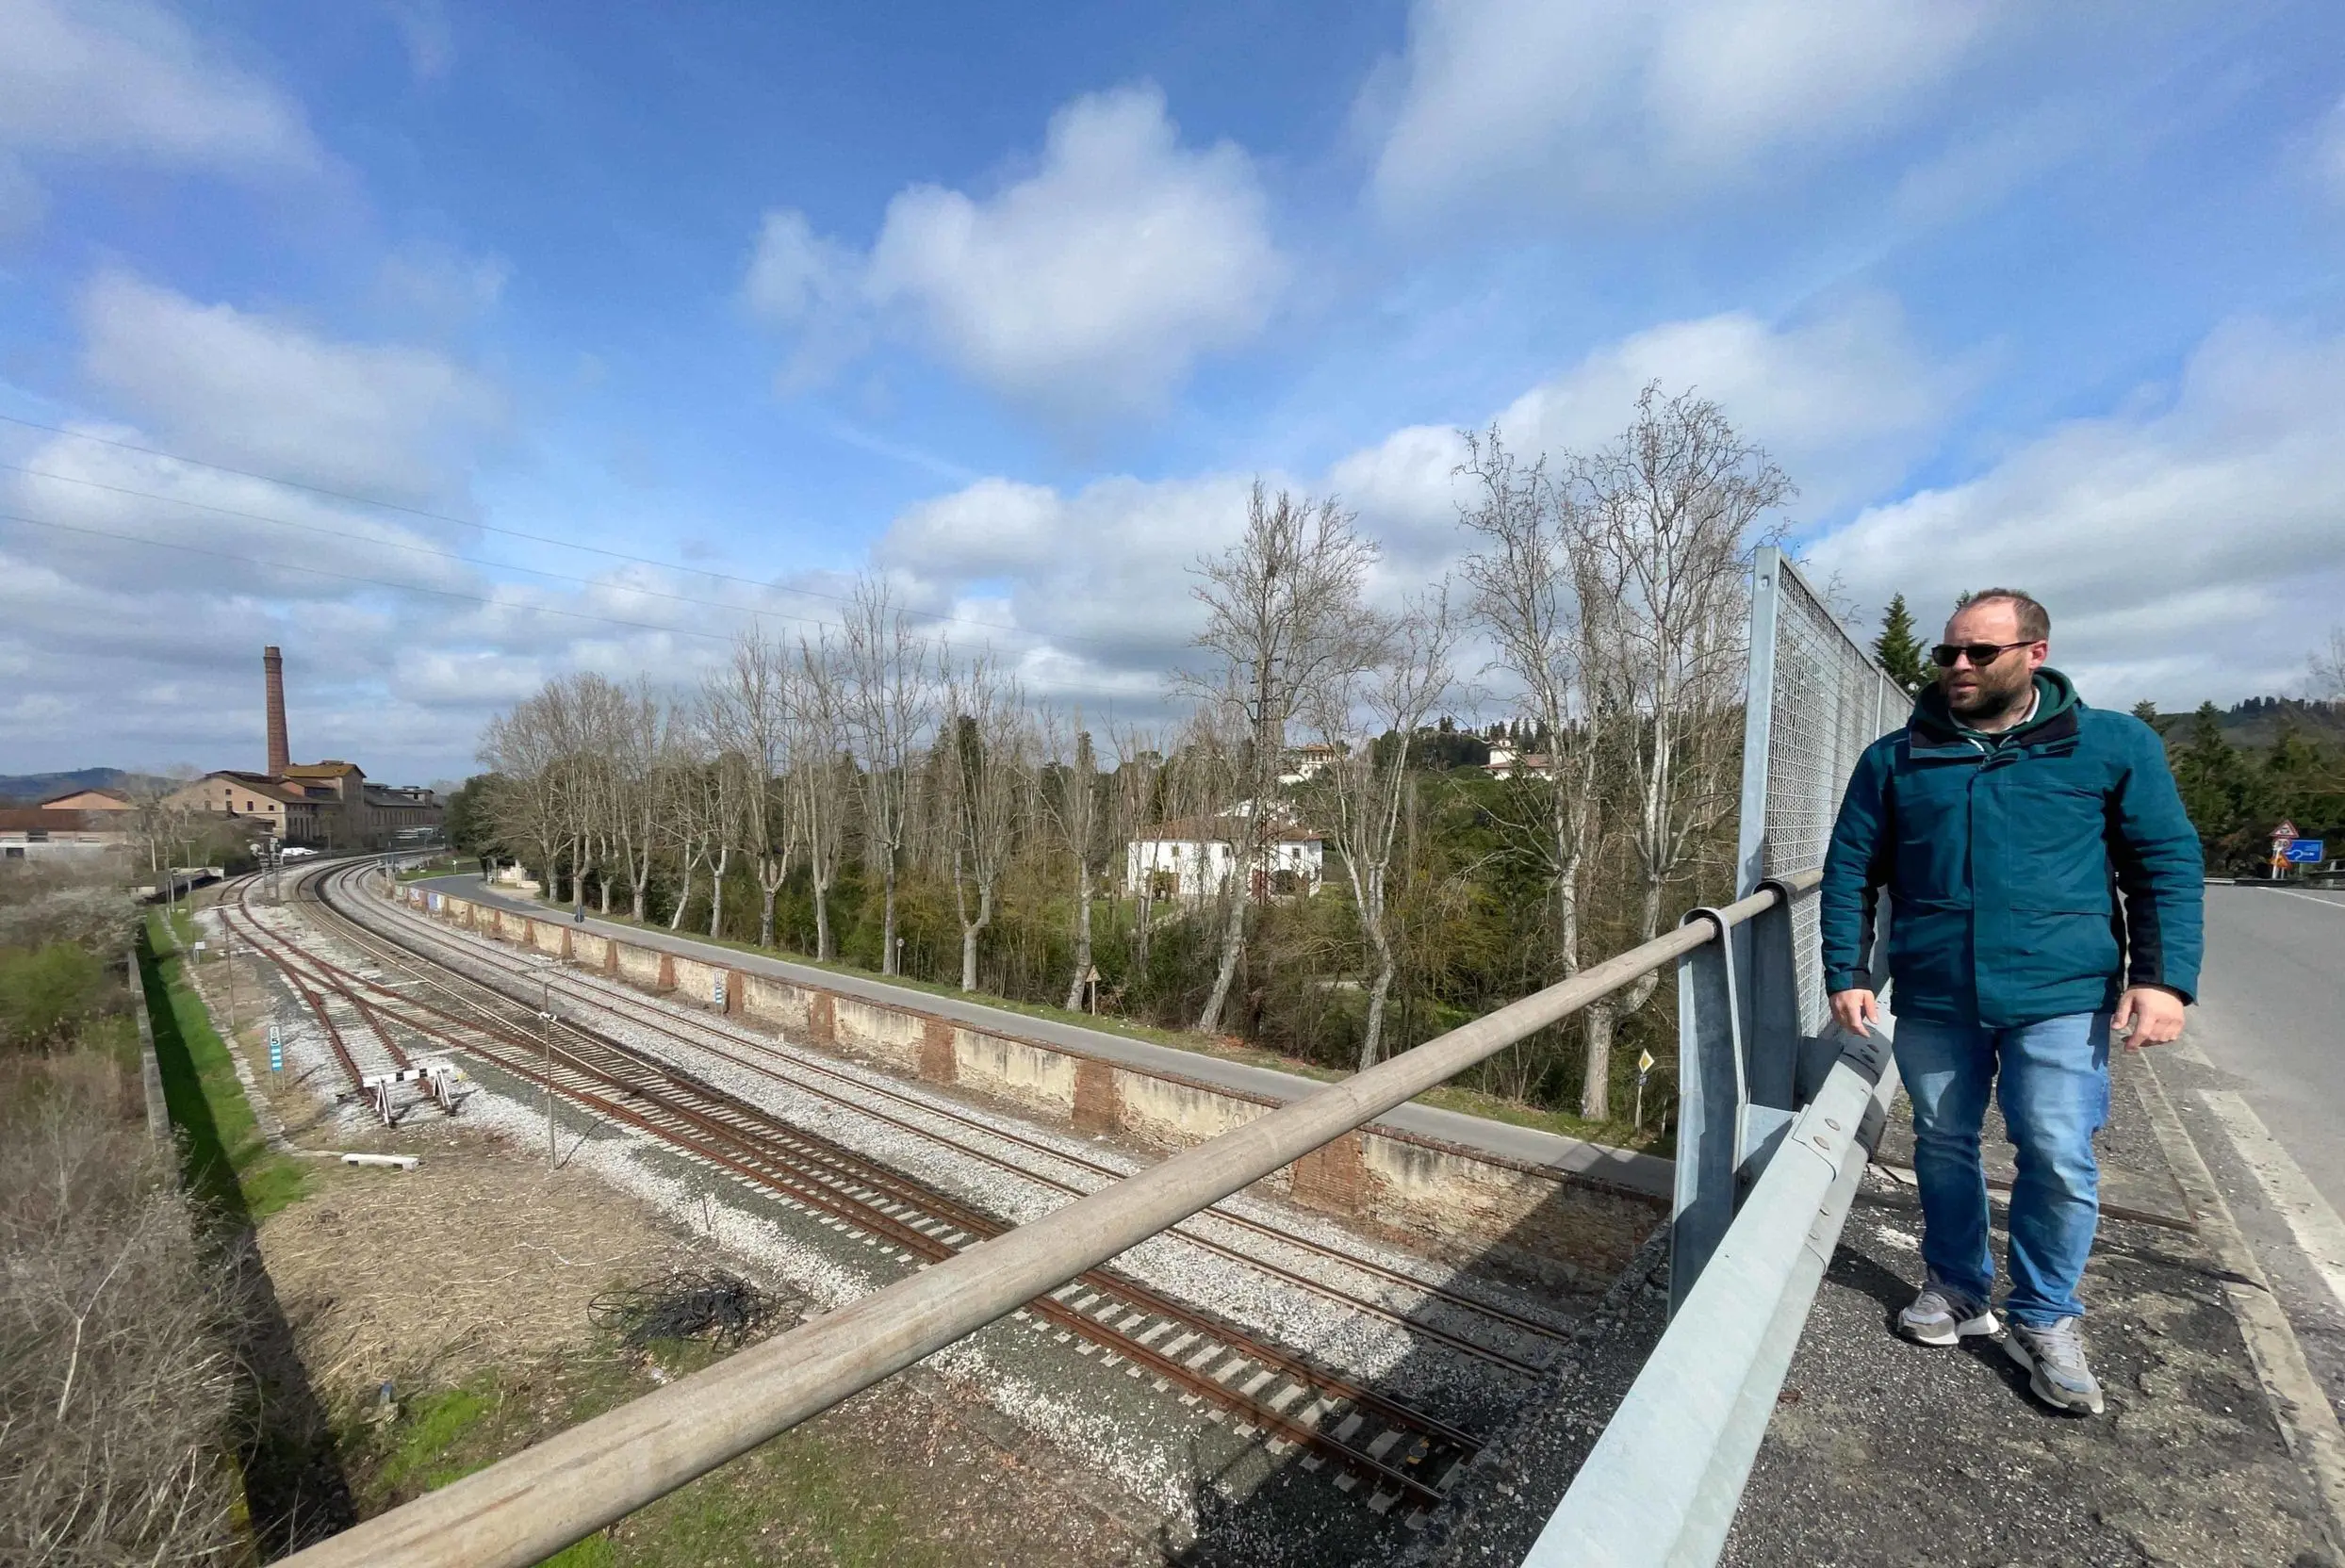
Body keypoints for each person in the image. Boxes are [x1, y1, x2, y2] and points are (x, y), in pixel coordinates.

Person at [1819, 588, 2202, 1415]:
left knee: (2058, 1153)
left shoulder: (2109, 746)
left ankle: (2045, 1316)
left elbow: (2162, 864)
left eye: (1979, 653)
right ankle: (1957, 1287)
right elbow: (1852, 868)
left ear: (2034, 653)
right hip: (1938, 990)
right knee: (1945, 1144)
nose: (1958, 666)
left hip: (2059, 992)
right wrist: (1846, 970)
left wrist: (2163, 980)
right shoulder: (1898, 757)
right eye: (1947, 652)